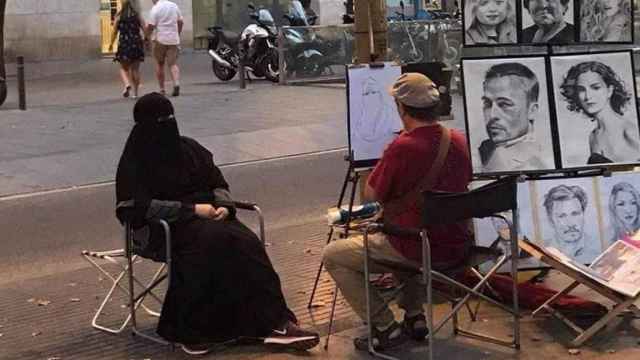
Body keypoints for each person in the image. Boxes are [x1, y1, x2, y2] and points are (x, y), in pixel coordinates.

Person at [115, 93, 319, 355]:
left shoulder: (189, 148)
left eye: (170, 119)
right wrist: (190, 210)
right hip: (161, 228)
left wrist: (224, 206)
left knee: (245, 242)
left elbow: (217, 182)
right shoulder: (136, 161)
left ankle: (277, 323)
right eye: (160, 121)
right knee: (209, 243)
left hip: (210, 218)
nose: (167, 125)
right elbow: (134, 207)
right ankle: (194, 330)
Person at [323, 73, 473, 351]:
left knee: (334, 255)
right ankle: (414, 316)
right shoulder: (459, 139)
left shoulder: (403, 147)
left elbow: (372, 195)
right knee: (410, 229)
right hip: (458, 244)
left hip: (417, 247)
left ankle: (384, 326)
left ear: (402, 109)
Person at [559, 61, 640, 164]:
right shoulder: (593, 136)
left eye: (595, 88)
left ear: (610, 90)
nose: (587, 96)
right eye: (581, 90)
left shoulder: (629, 131)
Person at [478, 62, 551, 172]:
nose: (492, 115)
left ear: (532, 111)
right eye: (487, 104)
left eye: (504, 104)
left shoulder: (539, 162)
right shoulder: (485, 149)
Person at [542, 185, 601, 264]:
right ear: (550, 220)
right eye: (562, 216)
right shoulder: (541, 252)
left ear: (583, 214)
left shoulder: (599, 250)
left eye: (575, 214)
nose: (570, 223)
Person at [109, 0, 146, 99]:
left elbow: (114, 32)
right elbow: (145, 29)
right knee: (135, 70)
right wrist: (147, 41)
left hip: (124, 44)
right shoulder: (137, 16)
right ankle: (136, 93)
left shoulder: (119, 17)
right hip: (136, 44)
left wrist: (111, 43)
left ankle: (127, 85)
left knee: (123, 68)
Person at [146, 0, 183, 97]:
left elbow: (151, 26)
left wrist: (146, 37)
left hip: (160, 40)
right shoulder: (174, 6)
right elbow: (180, 21)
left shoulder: (155, 8)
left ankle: (162, 89)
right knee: (173, 64)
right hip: (173, 39)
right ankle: (176, 83)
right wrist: (177, 33)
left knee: (160, 63)